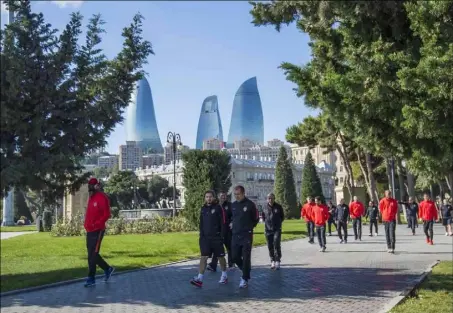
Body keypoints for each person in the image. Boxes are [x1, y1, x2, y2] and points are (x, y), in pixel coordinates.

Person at [190, 190, 228, 288]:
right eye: (207, 197)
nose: (208, 198)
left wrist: (221, 237)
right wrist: (201, 236)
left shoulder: (218, 208)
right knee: (203, 257)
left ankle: (224, 275)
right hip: (205, 239)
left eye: (210, 196)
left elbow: (223, 223)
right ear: (205, 198)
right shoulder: (203, 209)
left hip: (217, 238)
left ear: (214, 198)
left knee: (220, 257)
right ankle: (199, 279)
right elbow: (201, 224)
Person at [83, 177, 114, 287]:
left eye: (92, 185)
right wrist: (86, 224)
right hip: (89, 230)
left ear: (97, 185)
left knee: (93, 254)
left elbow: (107, 214)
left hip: (98, 230)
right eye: (89, 186)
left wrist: (96, 224)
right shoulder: (91, 197)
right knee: (91, 254)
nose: (90, 188)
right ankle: (107, 268)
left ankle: (91, 278)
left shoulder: (102, 197)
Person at [231, 185, 259, 288]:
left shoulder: (250, 205)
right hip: (235, 235)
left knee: (246, 257)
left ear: (243, 193)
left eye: (238, 194)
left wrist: (250, 227)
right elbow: (230, 217)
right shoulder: (233, 205)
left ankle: (244, 279)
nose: (236, 196)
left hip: (246, 235)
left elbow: (255, 218)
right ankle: (245, 270)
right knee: (234, 256)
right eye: (235, 194)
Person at [207, 191, 234, 272]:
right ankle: (213, 265)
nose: (224, 197)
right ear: (218, 197)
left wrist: (232, 222)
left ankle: (231, 264)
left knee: (229, 248)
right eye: (222, 196)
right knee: (217, 248)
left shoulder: (229, 205)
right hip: (218, 231)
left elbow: (234, 215)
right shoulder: (215, 206)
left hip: (227, 230)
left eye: (225, 196)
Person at [261, 193, 284, 270]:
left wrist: (278, 223)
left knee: (276, 243)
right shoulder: (264, 207)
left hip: (277, 229)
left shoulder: (278, 207)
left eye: (272, 198)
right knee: (270, 245)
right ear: (267, 199)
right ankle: (272, 260)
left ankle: (277, 260)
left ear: (274, 199)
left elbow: (282, 217)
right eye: (269, 198)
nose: (270, 200)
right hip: (268, 230)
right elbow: (263, 217)